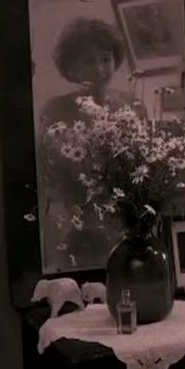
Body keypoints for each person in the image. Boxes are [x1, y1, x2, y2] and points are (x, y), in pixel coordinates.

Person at [38, 17, 147, 270]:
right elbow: (47, 176)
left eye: (105, 59)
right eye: (88, 61)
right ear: (71, 67)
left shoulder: (134, 106)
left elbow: (143, 170)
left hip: (122, 223)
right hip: (74, 224)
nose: (99, 69)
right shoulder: (55, 110)